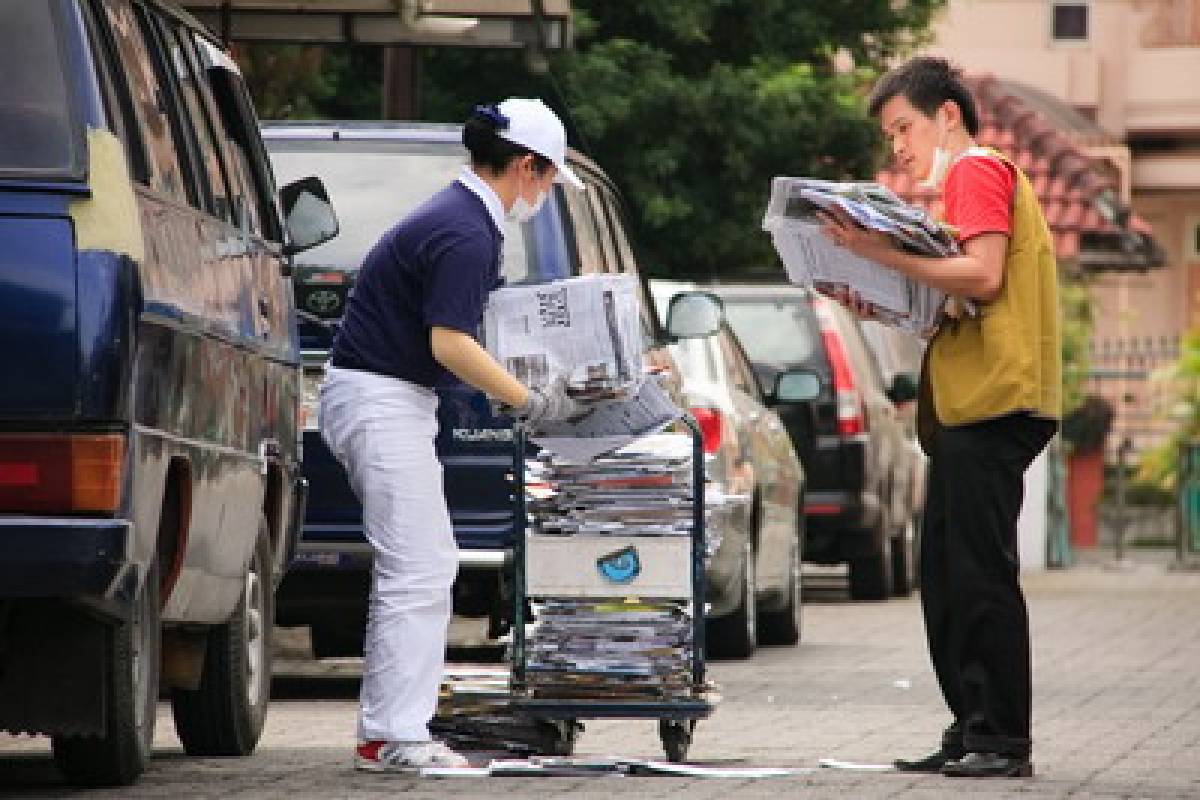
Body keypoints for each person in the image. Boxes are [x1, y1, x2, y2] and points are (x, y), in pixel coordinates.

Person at [319, 98, 585, 773]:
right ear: (526, 165)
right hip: (381, 399)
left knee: (422, 564)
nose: (546, 195)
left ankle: (391, 731)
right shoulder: (469, 231)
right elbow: (450, 343)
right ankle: (393, 737)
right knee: (419, 567)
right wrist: (530, 402)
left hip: (382, 397)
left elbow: (461, 332)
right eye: (549, 179)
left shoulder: (461, 217)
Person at [818, 57, 1061, 778]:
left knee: (977, 575)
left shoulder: (975, 172)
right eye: (890, 134)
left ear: (946, 115)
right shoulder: (967, 186)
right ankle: (971, 729)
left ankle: (1000, 739)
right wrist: (882, 289)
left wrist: (881, 252)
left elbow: (982, 273)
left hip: (991, 404)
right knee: (950, 573)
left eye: (904, 126)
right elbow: (961, 303)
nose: (897, 146)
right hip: (974, 403)